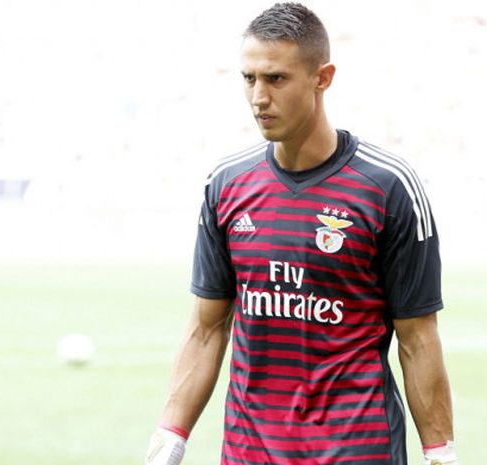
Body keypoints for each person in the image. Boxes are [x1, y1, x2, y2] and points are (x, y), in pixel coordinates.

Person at [145, 3, 457, 465]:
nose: (258, 98)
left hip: (357, 450)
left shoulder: (390, 187)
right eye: (249, 79)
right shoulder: (225, 186)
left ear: (322, 77)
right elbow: (208, 328)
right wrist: (171, 434)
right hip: (251, 452)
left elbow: (417, 337)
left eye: (276, 79)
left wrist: (441, 453)